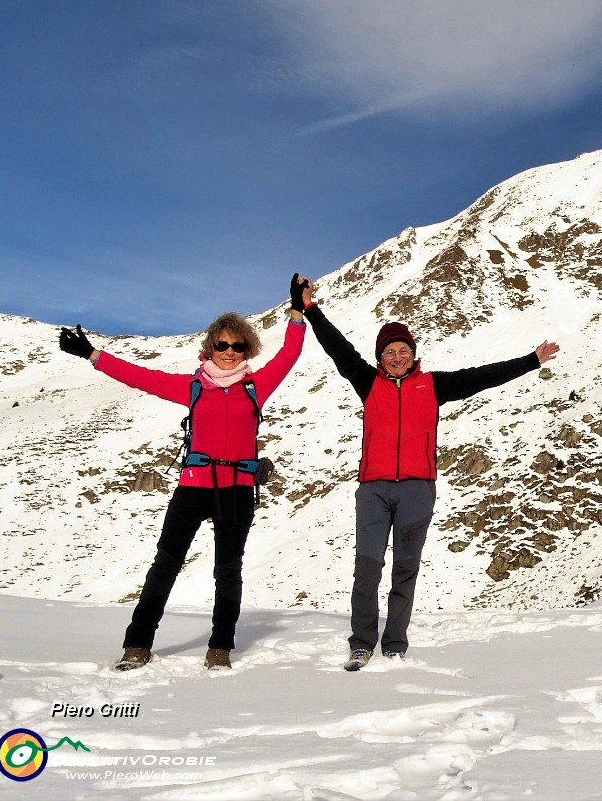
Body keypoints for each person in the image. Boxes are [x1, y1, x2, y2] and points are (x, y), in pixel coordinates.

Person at [297, 279, 559, 670]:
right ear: (380, 357)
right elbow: (339, 348)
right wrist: (310, 308)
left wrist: (531, 361)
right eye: (390, 351)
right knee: (367, 568)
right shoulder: (367, 382)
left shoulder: (432, 385)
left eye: (404, 350)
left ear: (413, 354)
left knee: (405, 568)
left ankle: (395, 642)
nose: (397, 357)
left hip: (418, 490)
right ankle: (362, 641)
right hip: (373, 489)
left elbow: (481, 376)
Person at [57, 275, 310, 672]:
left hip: (237, 489)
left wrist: (297, 308)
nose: (229, 351)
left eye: (237, 345)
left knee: (228, 570)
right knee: (165, 565)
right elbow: (139, 377)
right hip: (192, 488)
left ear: (247, 349)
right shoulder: (191, 387)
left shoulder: (255, 387)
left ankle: (220, 648)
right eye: (222, 344)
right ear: (210, 347)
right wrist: (92, 354)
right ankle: (137, 645)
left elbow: (289, 354)